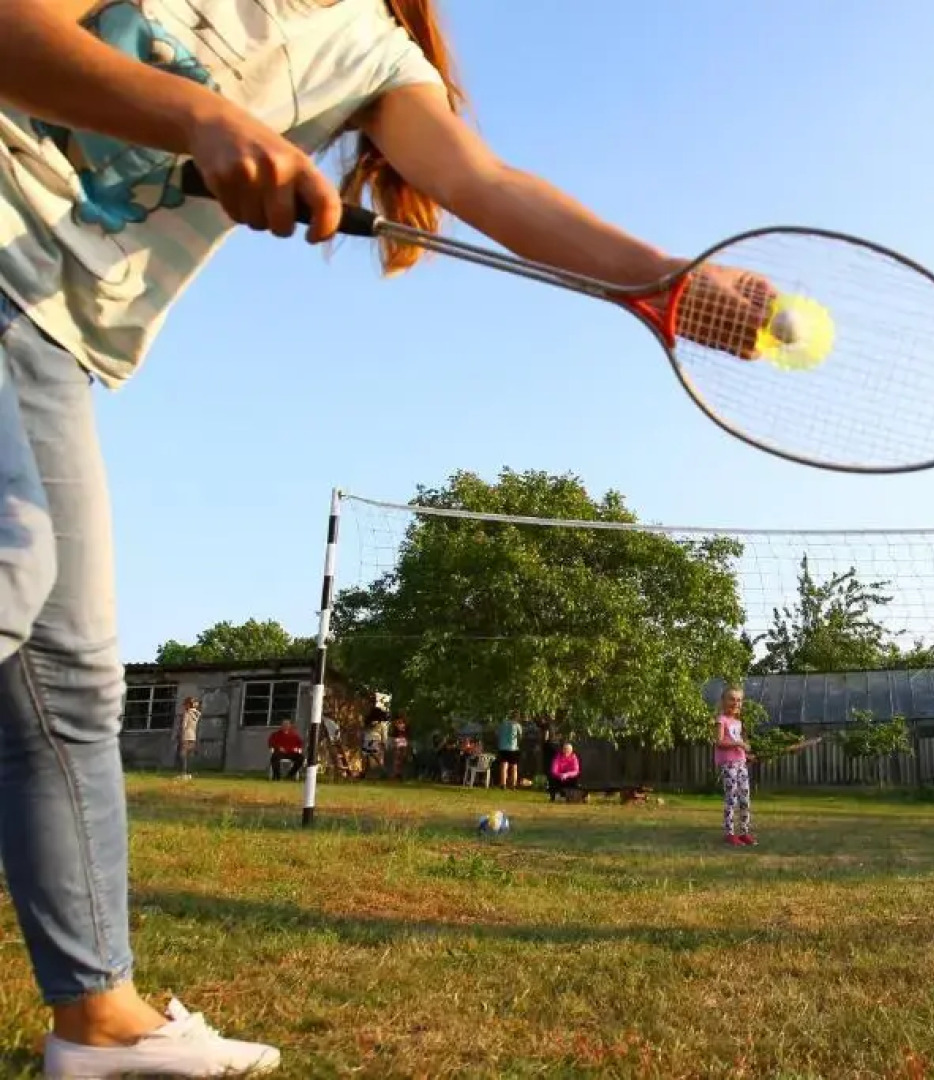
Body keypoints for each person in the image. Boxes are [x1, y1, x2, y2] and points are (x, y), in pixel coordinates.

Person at [0, 3, 777, 1075]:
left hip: (51, 327)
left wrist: (667, 279)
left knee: (66, 683)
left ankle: (99, 1025)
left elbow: (491, 185)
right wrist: (200, 118)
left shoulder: (374, 50)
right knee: (10, 568)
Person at [713, 686, 756, 847]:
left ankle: (744, 832)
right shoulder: (721, 720)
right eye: (732, 699)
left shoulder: (739, 722)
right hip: (729, 765)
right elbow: (719, 742)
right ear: (723, 701)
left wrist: (747, 754)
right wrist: (738, 743)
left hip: (741, 764)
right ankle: (729, 834)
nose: (735, 702)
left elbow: (740, 745)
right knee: (732, 798)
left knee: (745, 799)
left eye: (739, 700)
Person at [173, 696, 200, 780]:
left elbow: (184, 726)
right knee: (189, 756)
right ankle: (189, 773)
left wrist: (179, 735)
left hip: (186, 736)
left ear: (189, 705)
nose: (184, 706)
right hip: (193, 736)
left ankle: (183, 774)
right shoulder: (197, 714)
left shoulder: (187, 713)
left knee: (183, 755)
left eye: (185, 704)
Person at [495, 715, 524, 791]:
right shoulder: (517, 725)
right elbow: (520, 736)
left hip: (502, 748)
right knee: (514, 767)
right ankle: (513, 786)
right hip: (513, 748)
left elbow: (497, 734)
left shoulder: (502, 724)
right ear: (516, 717)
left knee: (504, 766)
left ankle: (503, 784)